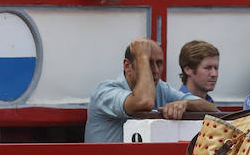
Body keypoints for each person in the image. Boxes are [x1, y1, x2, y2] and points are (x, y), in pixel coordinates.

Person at [85, 37, 218, 144]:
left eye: (159, 63)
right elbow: (144, 101)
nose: (155, 70)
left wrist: (186, 104)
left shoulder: (161, 87)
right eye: (148, 63)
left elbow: (211, 109)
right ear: (127, 66)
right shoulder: (104, 92)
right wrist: (142, 55)